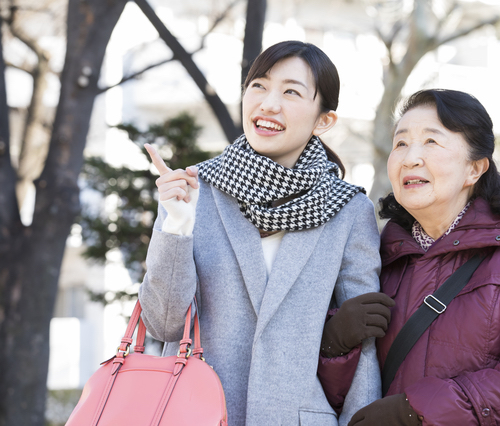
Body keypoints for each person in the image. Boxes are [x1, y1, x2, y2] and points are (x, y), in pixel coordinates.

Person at [138, 40, 393, 426]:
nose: (269, 103)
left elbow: (363, 348)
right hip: (196, 415)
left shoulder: (348, 210)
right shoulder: (193, 190)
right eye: (259, 85)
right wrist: (175, 225)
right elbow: (163, 324)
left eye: (291, 91)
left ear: (323, 120)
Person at [347, 89, 500, 425]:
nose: (410, 157)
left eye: (431, 142)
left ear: (475, 168)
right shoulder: (378, 260)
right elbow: (348, 393)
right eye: (401, 143)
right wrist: (335, 347)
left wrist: (416, 409)